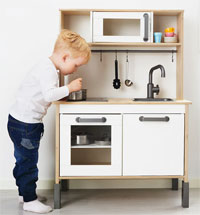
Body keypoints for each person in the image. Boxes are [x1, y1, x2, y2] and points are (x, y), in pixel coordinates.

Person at [7, 29, 91, 213]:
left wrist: (61, 94)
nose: (76, 69)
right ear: (65, 58)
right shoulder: (49, 71)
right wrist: (69, 88)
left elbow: (45, 95)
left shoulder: (45, 66)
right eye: (76, 65)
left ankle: (24, 193)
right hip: (25, 125)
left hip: (18, 121)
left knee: (22, 161)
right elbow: (49, 94)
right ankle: (29, 200)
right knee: (28, 163)